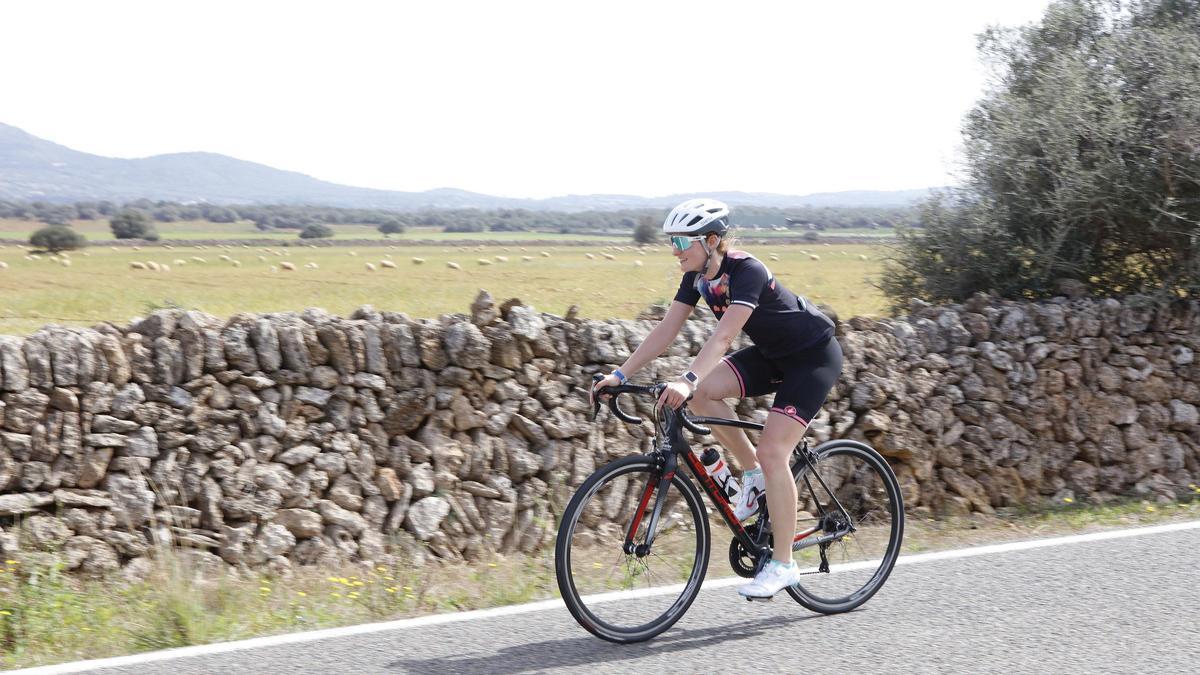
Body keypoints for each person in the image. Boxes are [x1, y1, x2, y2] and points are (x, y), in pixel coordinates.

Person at [590, 197, 843, 599]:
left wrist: (687, 379)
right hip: (774, 355)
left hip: (812, 357)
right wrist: (619, 374)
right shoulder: (696, 277)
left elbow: (724, 337)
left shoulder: (747, 271)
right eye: (670, 242)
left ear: (711, 240)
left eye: (680, 242)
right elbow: (666, 330)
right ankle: (754, 476)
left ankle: (784, 564)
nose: (674, 251)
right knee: (704, 396)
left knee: (774, 450)